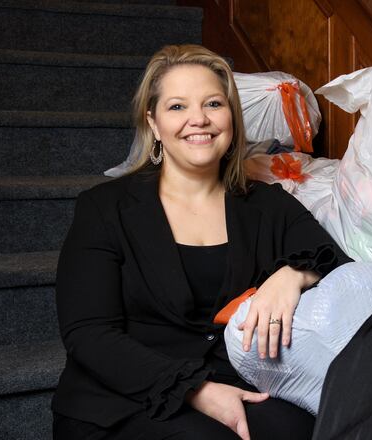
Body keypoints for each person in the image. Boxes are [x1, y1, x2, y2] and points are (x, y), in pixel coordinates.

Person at [51, 44, 351, 440]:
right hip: (125, 395)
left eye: (213, 103)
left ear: (231, 118)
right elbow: (89, 334)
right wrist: (195, 390)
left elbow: (339, 265)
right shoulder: (105, 208)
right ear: (153, 124)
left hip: (236, 382)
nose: (199, 119)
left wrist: (292, 275)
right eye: (177, 107)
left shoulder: (267, 204)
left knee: (314, 431)